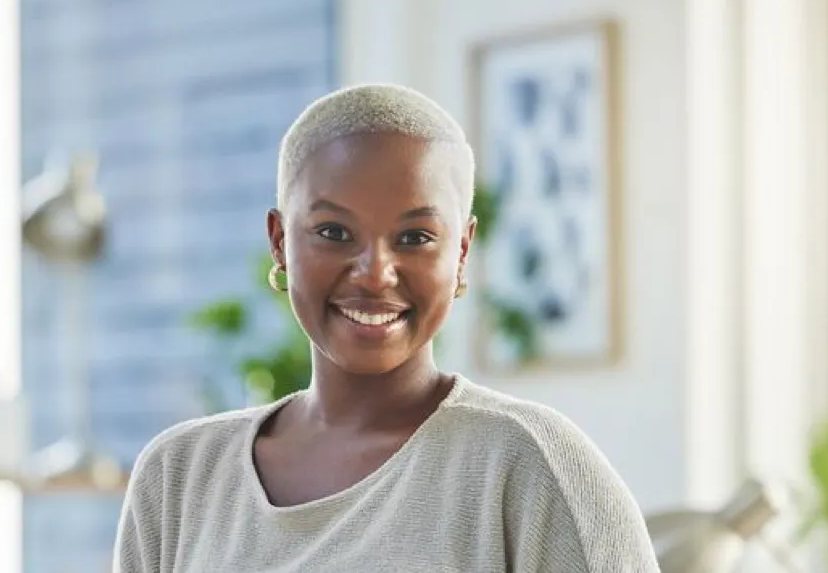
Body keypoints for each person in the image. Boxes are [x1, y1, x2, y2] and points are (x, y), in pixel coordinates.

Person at [113, 83, 659, 572]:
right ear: (280, 243)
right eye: (333, 231)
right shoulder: (179, 476)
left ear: (462, 253)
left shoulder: (529, 464)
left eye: (416, 237)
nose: (375, 274)